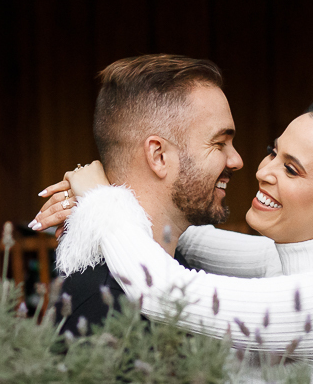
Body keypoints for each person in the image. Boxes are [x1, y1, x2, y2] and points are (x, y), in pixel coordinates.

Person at [34, 97, 313, 384]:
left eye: (290, 169)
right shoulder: (279, 260)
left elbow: (169, 293)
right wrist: (100, 191)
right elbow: (181, 232)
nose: (263, 170)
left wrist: (101, 195)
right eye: (274, 152)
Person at [35, 54, 245, 334]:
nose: (236, 160)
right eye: (219, 143)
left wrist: (99, 203)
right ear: (158, 156)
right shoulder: (101, 304)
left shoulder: (174, 264)